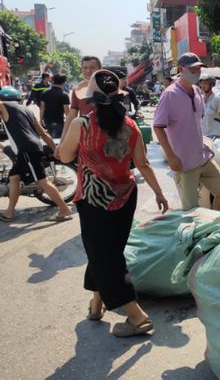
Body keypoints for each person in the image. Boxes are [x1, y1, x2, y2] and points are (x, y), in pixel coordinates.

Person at [58, 69, 169, 337]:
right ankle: (97, 304)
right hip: (125, 197)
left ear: (91, 99)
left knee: (105, 256)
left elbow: (63, 157)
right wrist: (159, 193)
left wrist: (68, 125)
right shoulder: (130, 126)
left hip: (95, 200)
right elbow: (142, 164)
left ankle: (137, 317)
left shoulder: (81, 124)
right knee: (106, 253)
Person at [153, 53, 220, 211]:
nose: (197, 73)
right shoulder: (169, 95)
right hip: (184, 163)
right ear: (182, 69)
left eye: (199, 69)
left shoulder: (197, 91)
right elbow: (158, 126)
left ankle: (213, 223)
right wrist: (171, 157)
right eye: (193, 70)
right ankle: (196, 233)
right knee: (191, 210)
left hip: (203, 157)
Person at [0, 92, 74, 222]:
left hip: (27, 150)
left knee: (42, 181)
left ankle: (64, 209)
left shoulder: (4, 106)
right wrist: (55, 149)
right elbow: (44, 133)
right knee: (14, 177)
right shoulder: (26, 111)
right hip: (33, 148)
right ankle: (9, 212)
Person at [61, 56, 102, 140]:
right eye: (85, 68)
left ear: (100, 69)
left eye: (92, 68)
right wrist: (62, 140)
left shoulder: (108, 87)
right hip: (86, 137)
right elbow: (72, 115)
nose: (88, 71)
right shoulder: (77, 89)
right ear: (81, 70)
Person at [40, 73, 70, 138]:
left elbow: (42, 108)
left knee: (49, 140)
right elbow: (67, 111)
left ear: (53, 80)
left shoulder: (44, 92)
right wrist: (69, 123)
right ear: (64, 82)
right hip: (59, 122)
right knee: (57, 142)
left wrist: (40, 120)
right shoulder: (64, 95)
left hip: (47, 122)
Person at [199, 73, 220, 138]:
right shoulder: (200, 99)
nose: (203, 85)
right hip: (203, 135)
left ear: (211, 85)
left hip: (214, 135)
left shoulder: (216, 99)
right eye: (201, 83)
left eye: (205, 83)